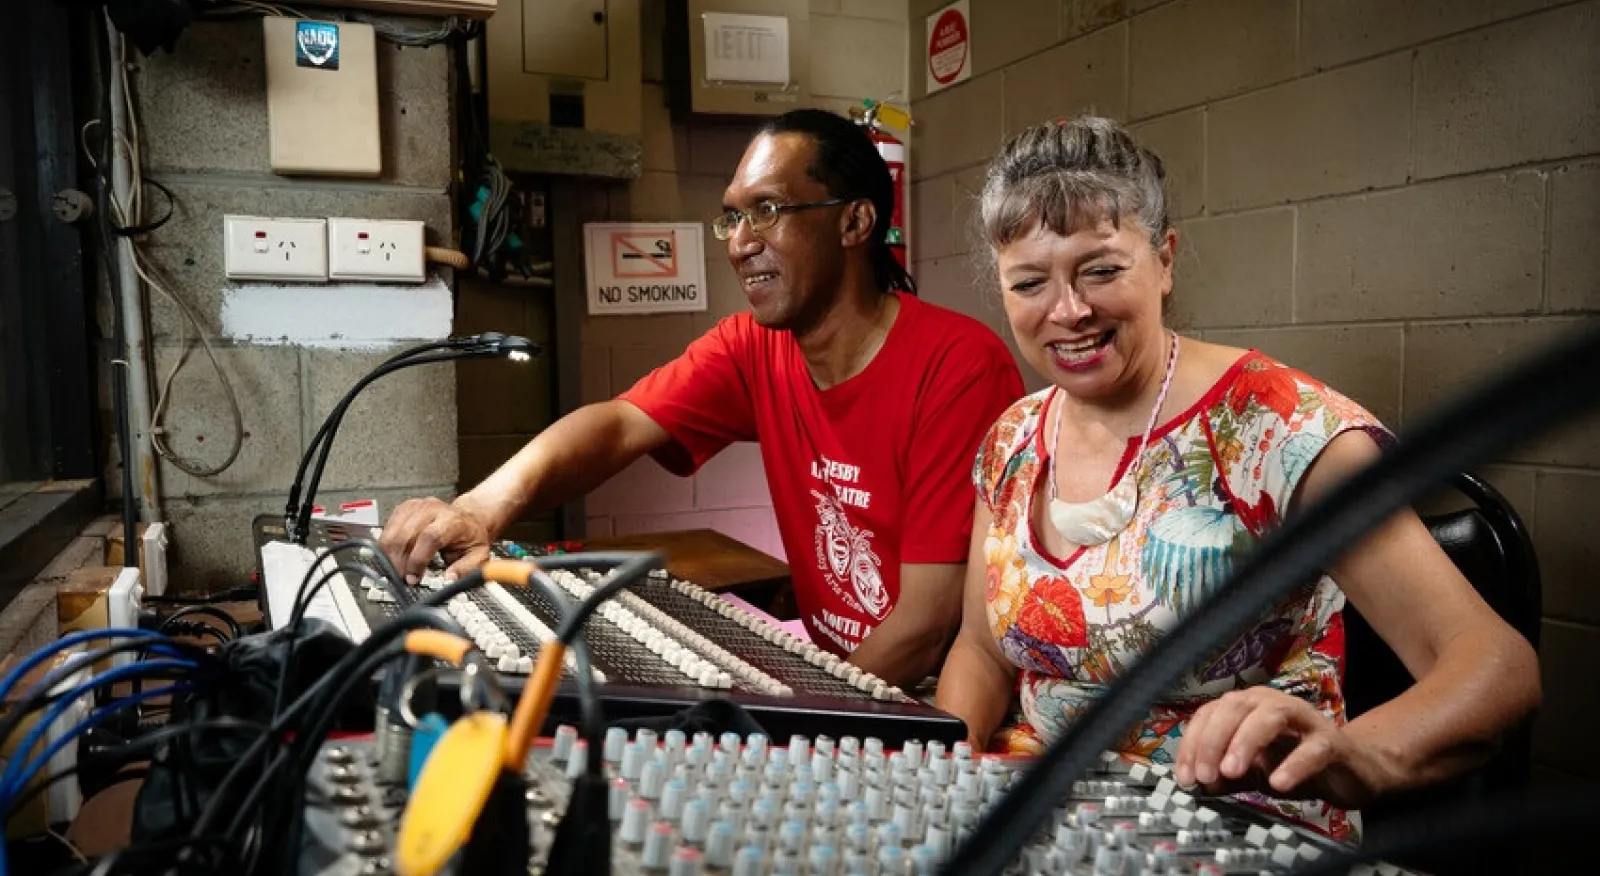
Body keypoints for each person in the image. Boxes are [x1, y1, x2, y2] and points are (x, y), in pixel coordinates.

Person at [933, 115, 1540, 838]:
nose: (1068, 311)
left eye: (1101, 269)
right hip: (1035, 811)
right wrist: (940, 773)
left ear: (1164, 261)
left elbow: (1496, 664)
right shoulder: (1013, 439)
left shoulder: (1277, 427)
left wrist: (1362, 755)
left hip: (1226, 827)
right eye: (1029, 282)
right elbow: (979, 649)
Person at [380, 109, 1024, 690]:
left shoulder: (957, 367)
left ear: (854, 221)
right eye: (734, 216)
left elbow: (927, 626)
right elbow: (617, 425)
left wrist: (797, 726)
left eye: (769, 210)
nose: (742, 243)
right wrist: (479, 509)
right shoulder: (753, 348)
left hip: (932, 701)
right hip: (839, 682)